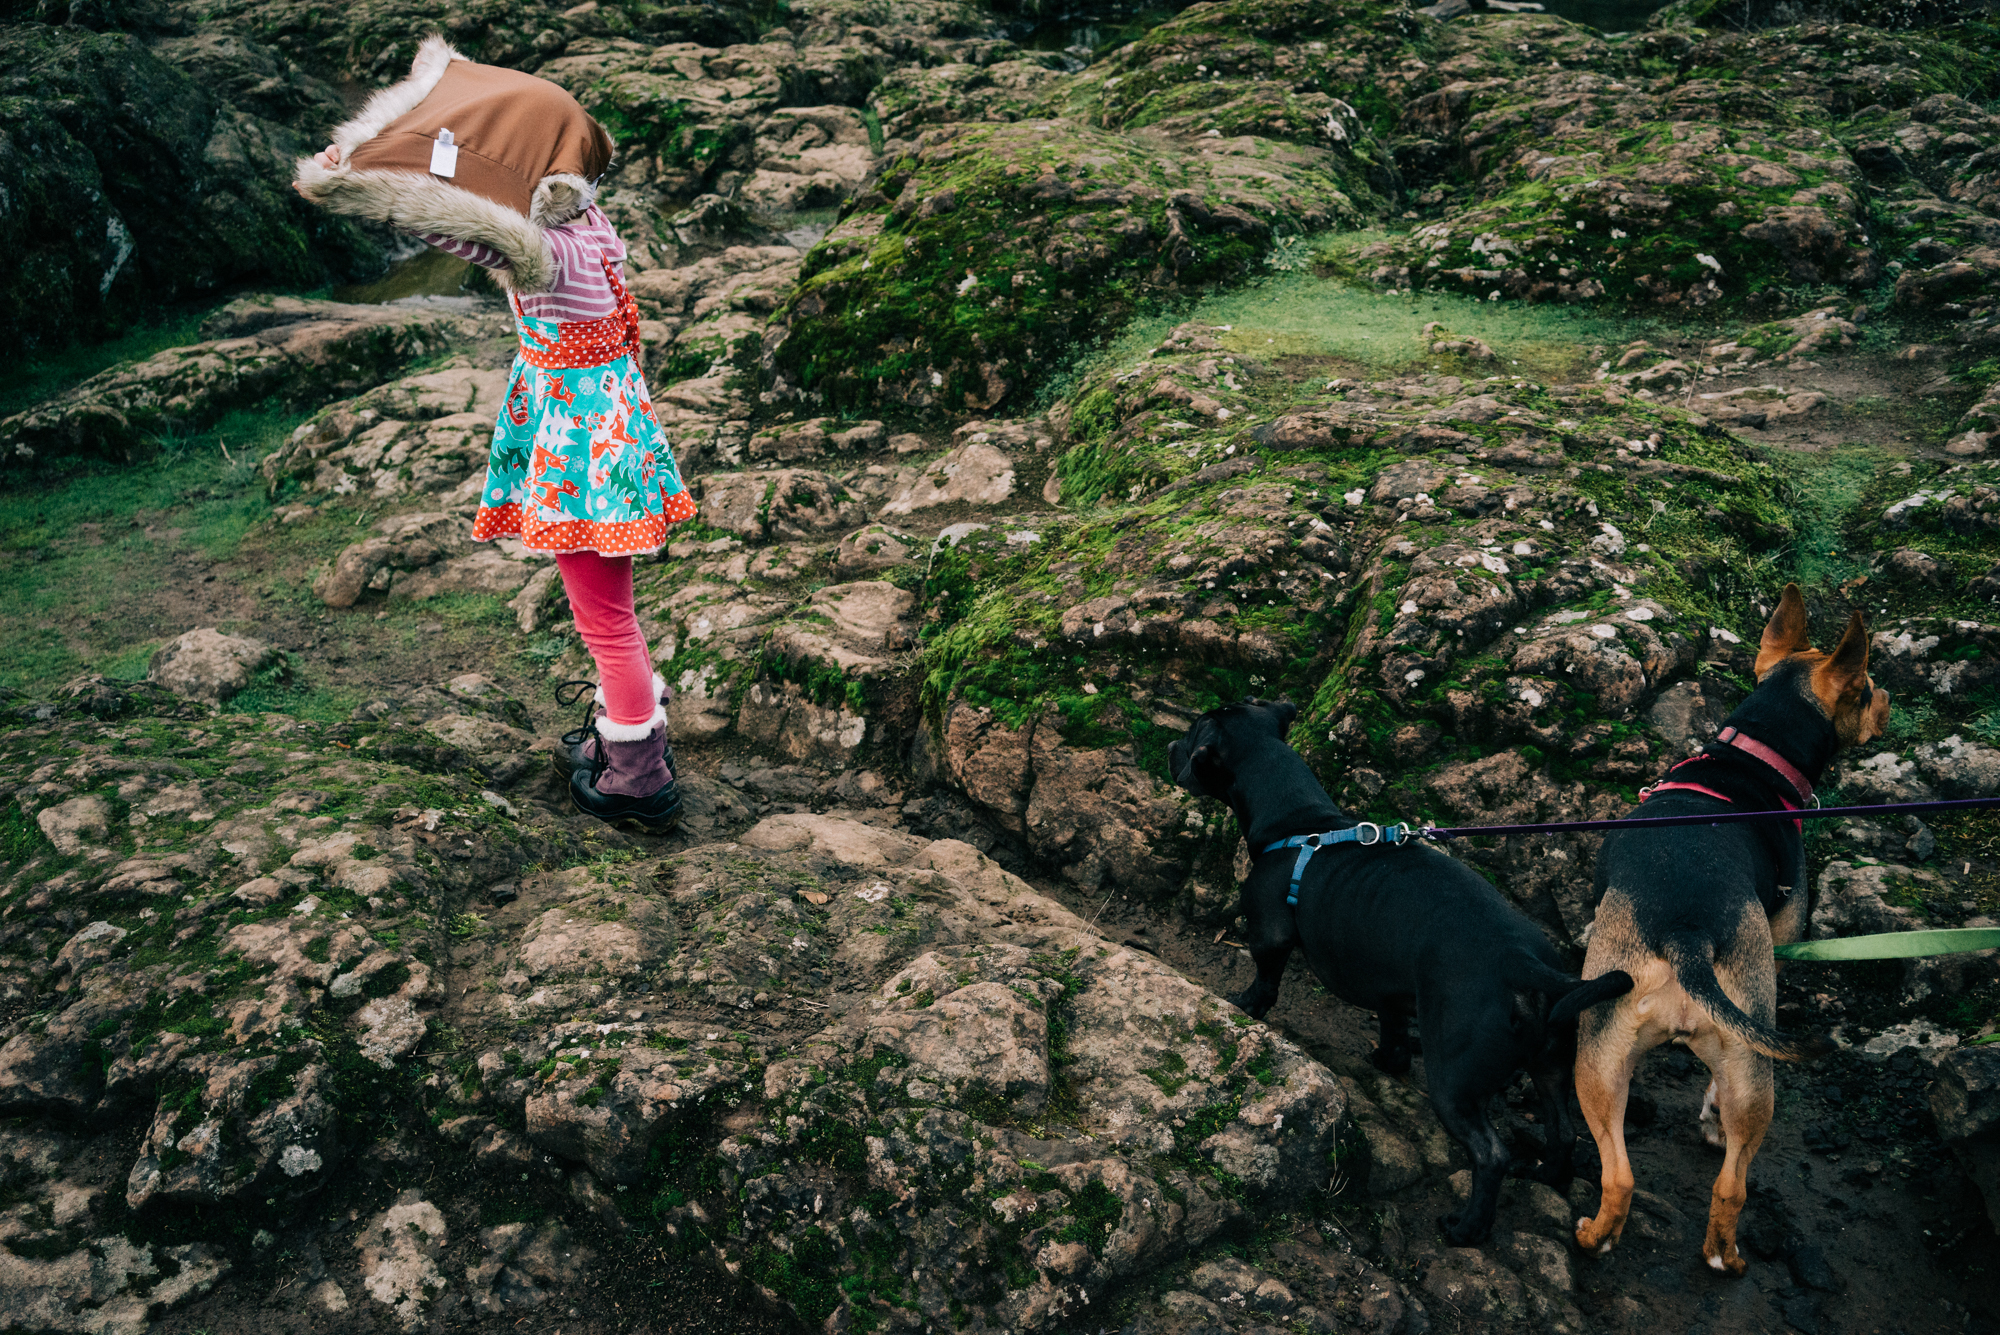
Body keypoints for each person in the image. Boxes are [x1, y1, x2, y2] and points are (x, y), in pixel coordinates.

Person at [294, 39, 691, 832]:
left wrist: (358, 174)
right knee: (613, 612)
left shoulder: (541, 257)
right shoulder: (592, 227)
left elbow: (456, 229)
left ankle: (638, 774)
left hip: (581, 457)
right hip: (610, 439)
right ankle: (631, 736)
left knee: (603, 618)